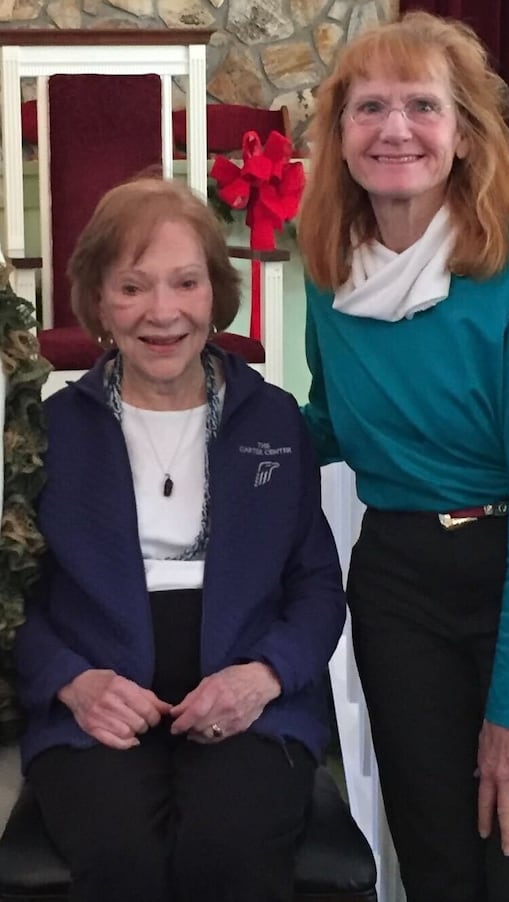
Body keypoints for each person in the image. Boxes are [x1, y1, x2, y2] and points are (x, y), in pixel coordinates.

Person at [298, 10, 509, 902]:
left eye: (423, 106)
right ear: (341, 134)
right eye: (370, 107)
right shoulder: (327, 272)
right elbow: (334, 423)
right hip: (399, 579)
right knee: (436, 863)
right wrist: (206, 412)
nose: (395, 128)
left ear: (465, 135)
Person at [15, 176, 346, 902]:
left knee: (229, 848)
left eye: (185, 283)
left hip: (249, 690)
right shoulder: (49, 431)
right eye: (132, 287)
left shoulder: (273, 420)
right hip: (98, 695)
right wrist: (73, 681)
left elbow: (317, 583)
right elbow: (16, 597)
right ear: (98, 303)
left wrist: (263, 677)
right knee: (120, 853)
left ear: (214, 295)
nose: (162, 313)